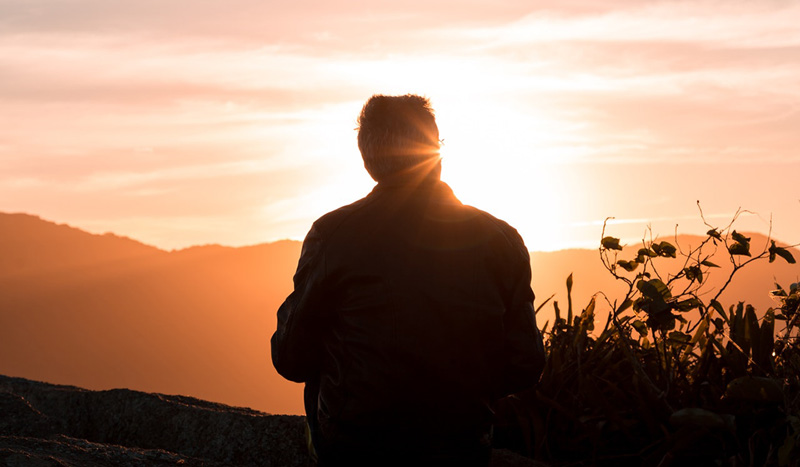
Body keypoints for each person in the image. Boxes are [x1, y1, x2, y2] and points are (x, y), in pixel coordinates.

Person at [271, 94, 545, 466]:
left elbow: (292, 359)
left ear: (368, 159)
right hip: (462, 444)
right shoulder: (501, 238)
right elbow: (526, 362)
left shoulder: (332, 235)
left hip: (356, 447)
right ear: (437, 152)